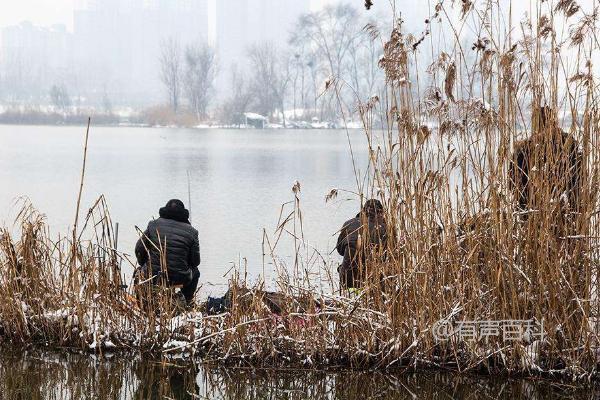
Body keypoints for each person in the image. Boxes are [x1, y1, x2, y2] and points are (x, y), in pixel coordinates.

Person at [135, 199, 200, 305]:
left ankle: (144, 304)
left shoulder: (153, 225)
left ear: (164, 211)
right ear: (184, 214)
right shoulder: (192, 232)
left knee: (139, 273)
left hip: (153, 274)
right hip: (180, 277)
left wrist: (144, 265)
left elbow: (139, 249)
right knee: (195, 272)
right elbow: (196, 262)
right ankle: (187, 302)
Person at [336, 199, 388, 290]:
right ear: (380, 213)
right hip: (371, 279)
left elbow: (340, 250)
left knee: (342, 268)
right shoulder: (384, 228)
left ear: (363, 210)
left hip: (346, 277)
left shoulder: (348, 223)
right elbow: (387, 255)